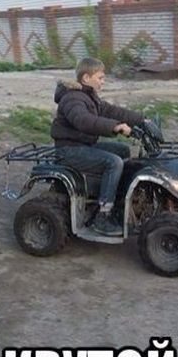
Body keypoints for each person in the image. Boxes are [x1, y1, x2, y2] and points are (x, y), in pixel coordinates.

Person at [51, 57, 144, 236]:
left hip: (84, 145)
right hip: (69, 150)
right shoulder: (72, 99)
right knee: (113, 162)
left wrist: (141, 120)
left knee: (123, 151)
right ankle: (103, 215)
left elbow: (111, 111)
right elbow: (83, 120)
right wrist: (115, 126)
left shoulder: (88, 96)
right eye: (100, 77)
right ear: (86, 78)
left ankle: (115, 196)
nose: (103, 81)